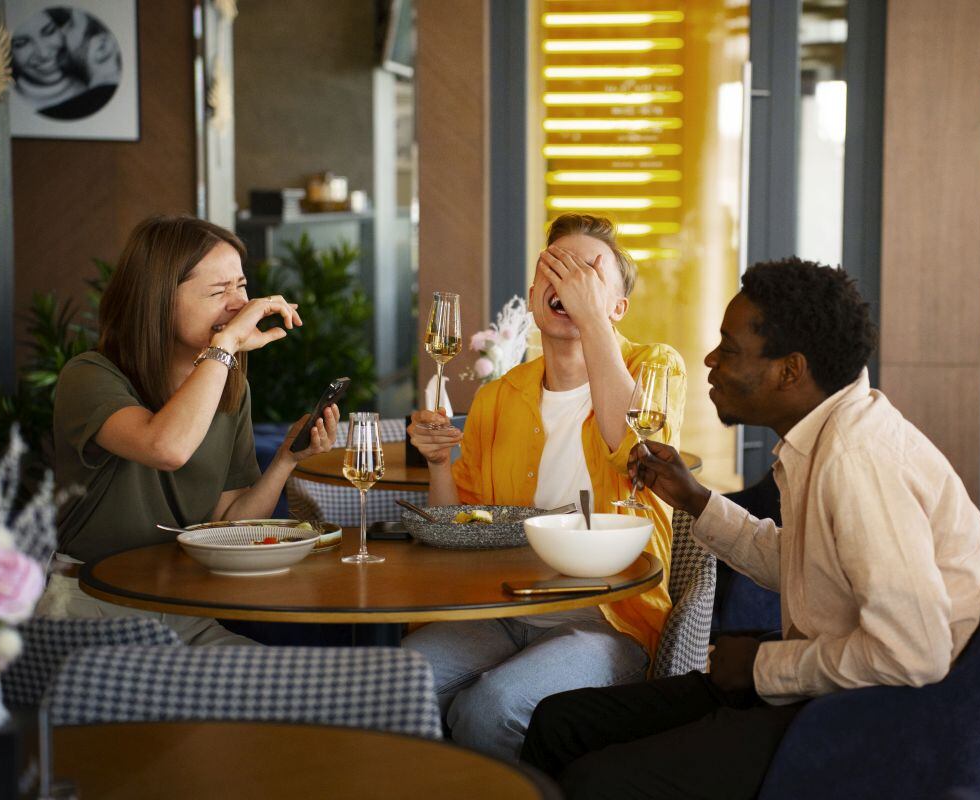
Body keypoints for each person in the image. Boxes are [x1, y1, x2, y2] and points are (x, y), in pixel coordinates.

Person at [521, 258, 980, 799]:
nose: (710, 359)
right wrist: (696, 501)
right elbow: (800, 563)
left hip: (854, 722)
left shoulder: (857, 461)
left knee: (596, 779)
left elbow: (913, 652)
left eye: (729, 348)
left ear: (789, 371)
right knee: (560, 722)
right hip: (823, 690)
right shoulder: (828, 435)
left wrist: (763, 667)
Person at [404, 213, 687, 761]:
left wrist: (592, 320)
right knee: (396, 683)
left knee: (490, 709)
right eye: (554, 270)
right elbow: (456, 529)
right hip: (500, 609)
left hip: (609, 619)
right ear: (535, 295)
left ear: (618, 308)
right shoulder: (497, 396)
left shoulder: (654, 369)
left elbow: (632, 445)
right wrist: (440, 463)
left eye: (588, 274)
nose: (569, 282)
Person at [37, 215, 339, 645]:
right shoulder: (89, 376)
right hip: (92, 608)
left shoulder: (231, 385)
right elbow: (166, 447)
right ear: (156, 301)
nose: (239, 305)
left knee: (305, 688)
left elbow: (229, 523)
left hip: (183, 610)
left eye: (241, 286)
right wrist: (226, 345)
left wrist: (286, 458)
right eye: (219, 291)